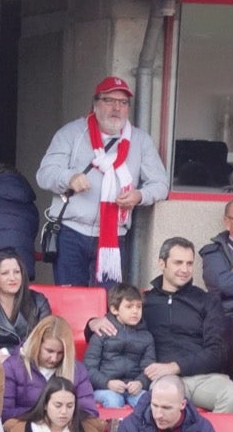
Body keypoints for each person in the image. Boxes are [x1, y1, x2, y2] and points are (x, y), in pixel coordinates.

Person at [34, 75, 168, 287]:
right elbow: (44, 174)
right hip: (72, 233)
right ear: (95, 104)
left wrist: (140, 195)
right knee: (71, 302)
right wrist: (69, 178)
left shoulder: (140, 140)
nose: (117, 108)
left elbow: (160, 184)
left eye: (123, 103)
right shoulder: (72, 133)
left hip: (113, 237)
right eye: (109, 101)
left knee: (108, 304)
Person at [137, 237, 233, 414]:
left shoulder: (207, 300)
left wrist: (176, 366)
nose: (185, 270)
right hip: (165, 378)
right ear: (161, 264)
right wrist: (93, 323)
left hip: (205, 378)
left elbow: (218, 352)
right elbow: (116, 328)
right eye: (178, 263)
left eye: (189, 263)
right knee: (166, 396)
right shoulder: (144, 301)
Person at [1, 316, 100, 421]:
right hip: (27, 430)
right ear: (37, 344)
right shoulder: (12, 367)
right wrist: (45, 413)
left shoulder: (77, 370)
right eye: (49, 351)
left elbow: (90, 412)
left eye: (60, 353)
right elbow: (4, 412)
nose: (54, 358)